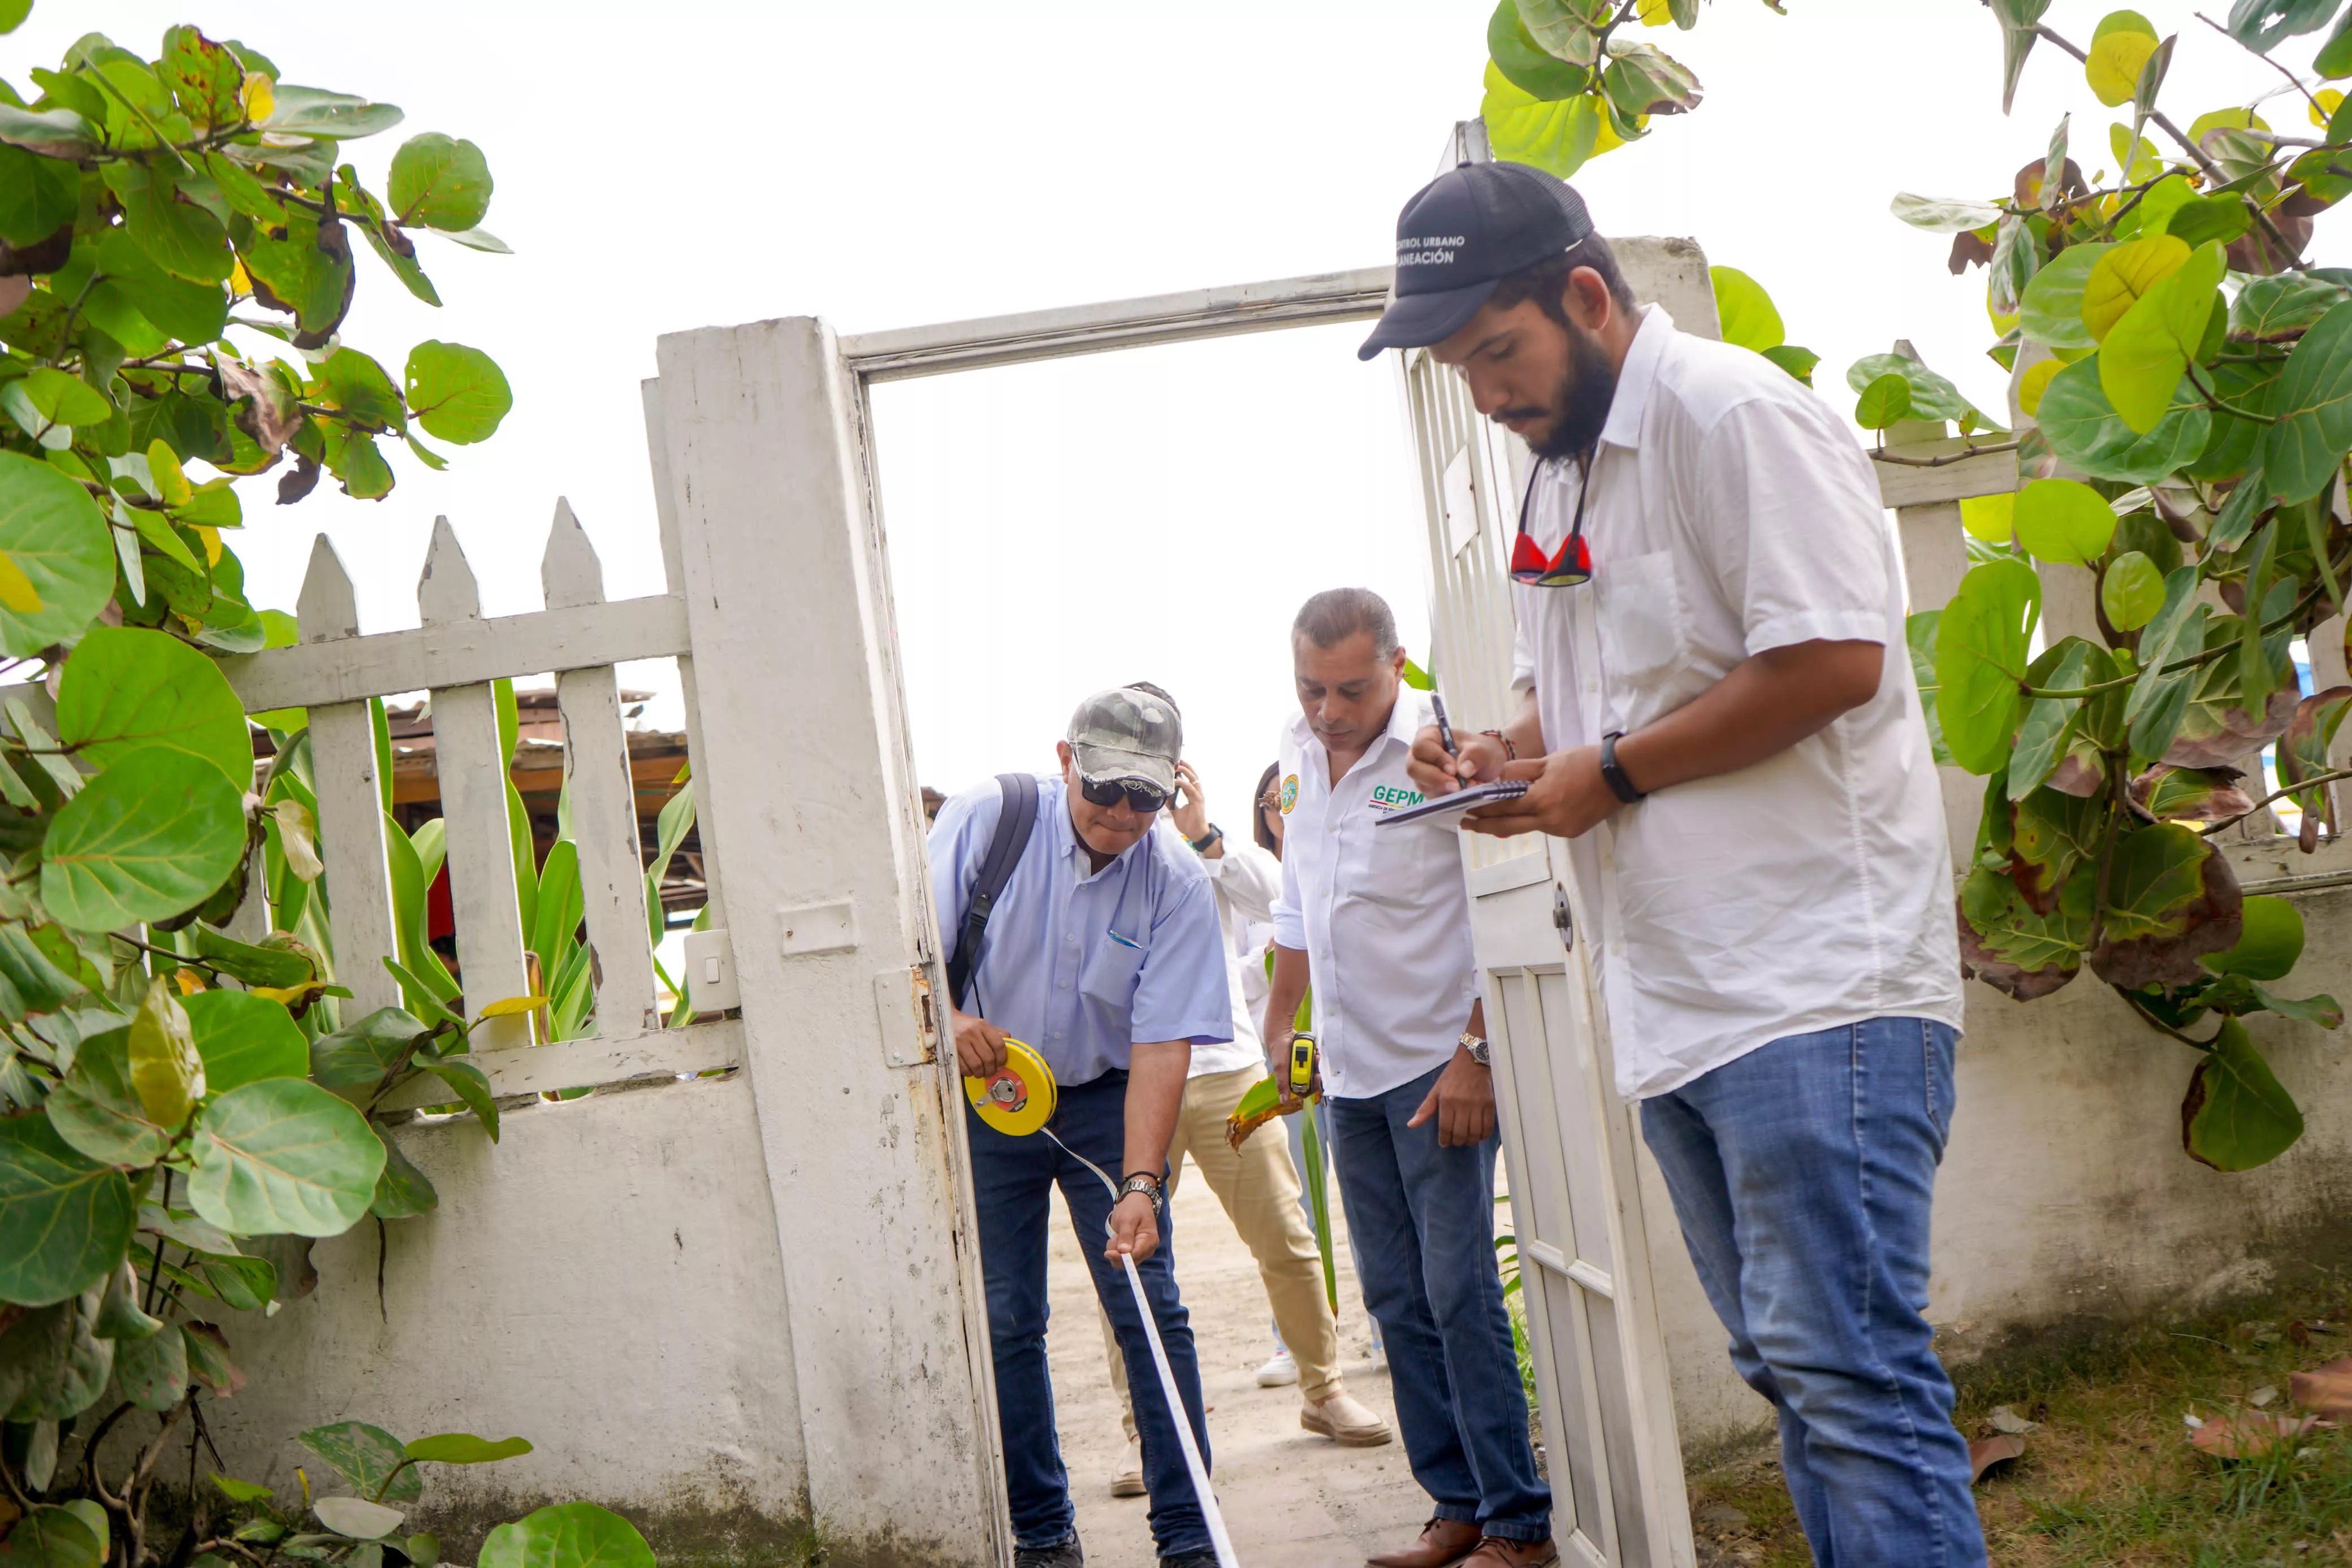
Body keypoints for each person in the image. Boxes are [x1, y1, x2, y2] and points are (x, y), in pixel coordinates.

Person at [1369, 161, 1978, 1567]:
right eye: (1463, 368)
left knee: (1852, 1378)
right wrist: (1507, 761)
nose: (1488, 393)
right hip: (1679, 1002)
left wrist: (1616, 773)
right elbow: (1576, 702)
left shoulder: (1733, 416)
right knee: (1796, 1376)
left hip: (1817, 988)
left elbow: (1832, 660)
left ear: (1586, 296)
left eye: (1499, 352)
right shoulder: (1556, 475)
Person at [1261, 588, 1554, 1568]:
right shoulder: (1298, 762)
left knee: (1459, 1288)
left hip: (1436, 1071)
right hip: (1347, 1078)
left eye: (1350, 687)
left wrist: (1478, 1051)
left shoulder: (1437, 760)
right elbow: (1303, 908)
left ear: (1396, 663)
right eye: (1312, 688)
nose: (1328, 710)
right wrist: (1279, 1024)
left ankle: (1518, 1518)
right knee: (1393, 1296)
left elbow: (1502, 902)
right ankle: (1456, 1503)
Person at [929, 687, 1234, 1568]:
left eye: (1146, 797)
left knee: (1148, 1303)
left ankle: (1189, 1536)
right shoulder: (991, 818)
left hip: (1105, 1098)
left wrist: (1142, 1183)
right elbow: (908, 948)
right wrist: (949, 1020)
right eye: (1106, 790)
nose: (1123, 815)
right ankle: (1044, 1529)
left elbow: (1162, 1043)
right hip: (993, 1095)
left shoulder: (1175, 879)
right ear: (1066, 760)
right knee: (1005, 1315)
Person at [1097, 737, 1391, 1499]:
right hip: (1128, 1085)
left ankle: (1323, 1390)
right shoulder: (1088, 844)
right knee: (1129, 1261)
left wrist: (1203, 833)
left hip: (1227, 1074)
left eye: (1155, 767)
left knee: (1288, 1239)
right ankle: (1151, 1436)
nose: (1137, 789)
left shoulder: (1203, 850)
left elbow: (1277, 901)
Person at [1247, 760, 1385, 1385]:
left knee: (1368, 1205)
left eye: (1291, 794)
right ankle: (1297, 1343)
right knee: (1295, 1208)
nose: (1283, 806)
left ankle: (1383, 1330)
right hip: (1288, 1069)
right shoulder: (1262, 883)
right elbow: (1243, 972)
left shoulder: (1347, 860)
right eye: (1272, 798)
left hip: (1350, 1061)